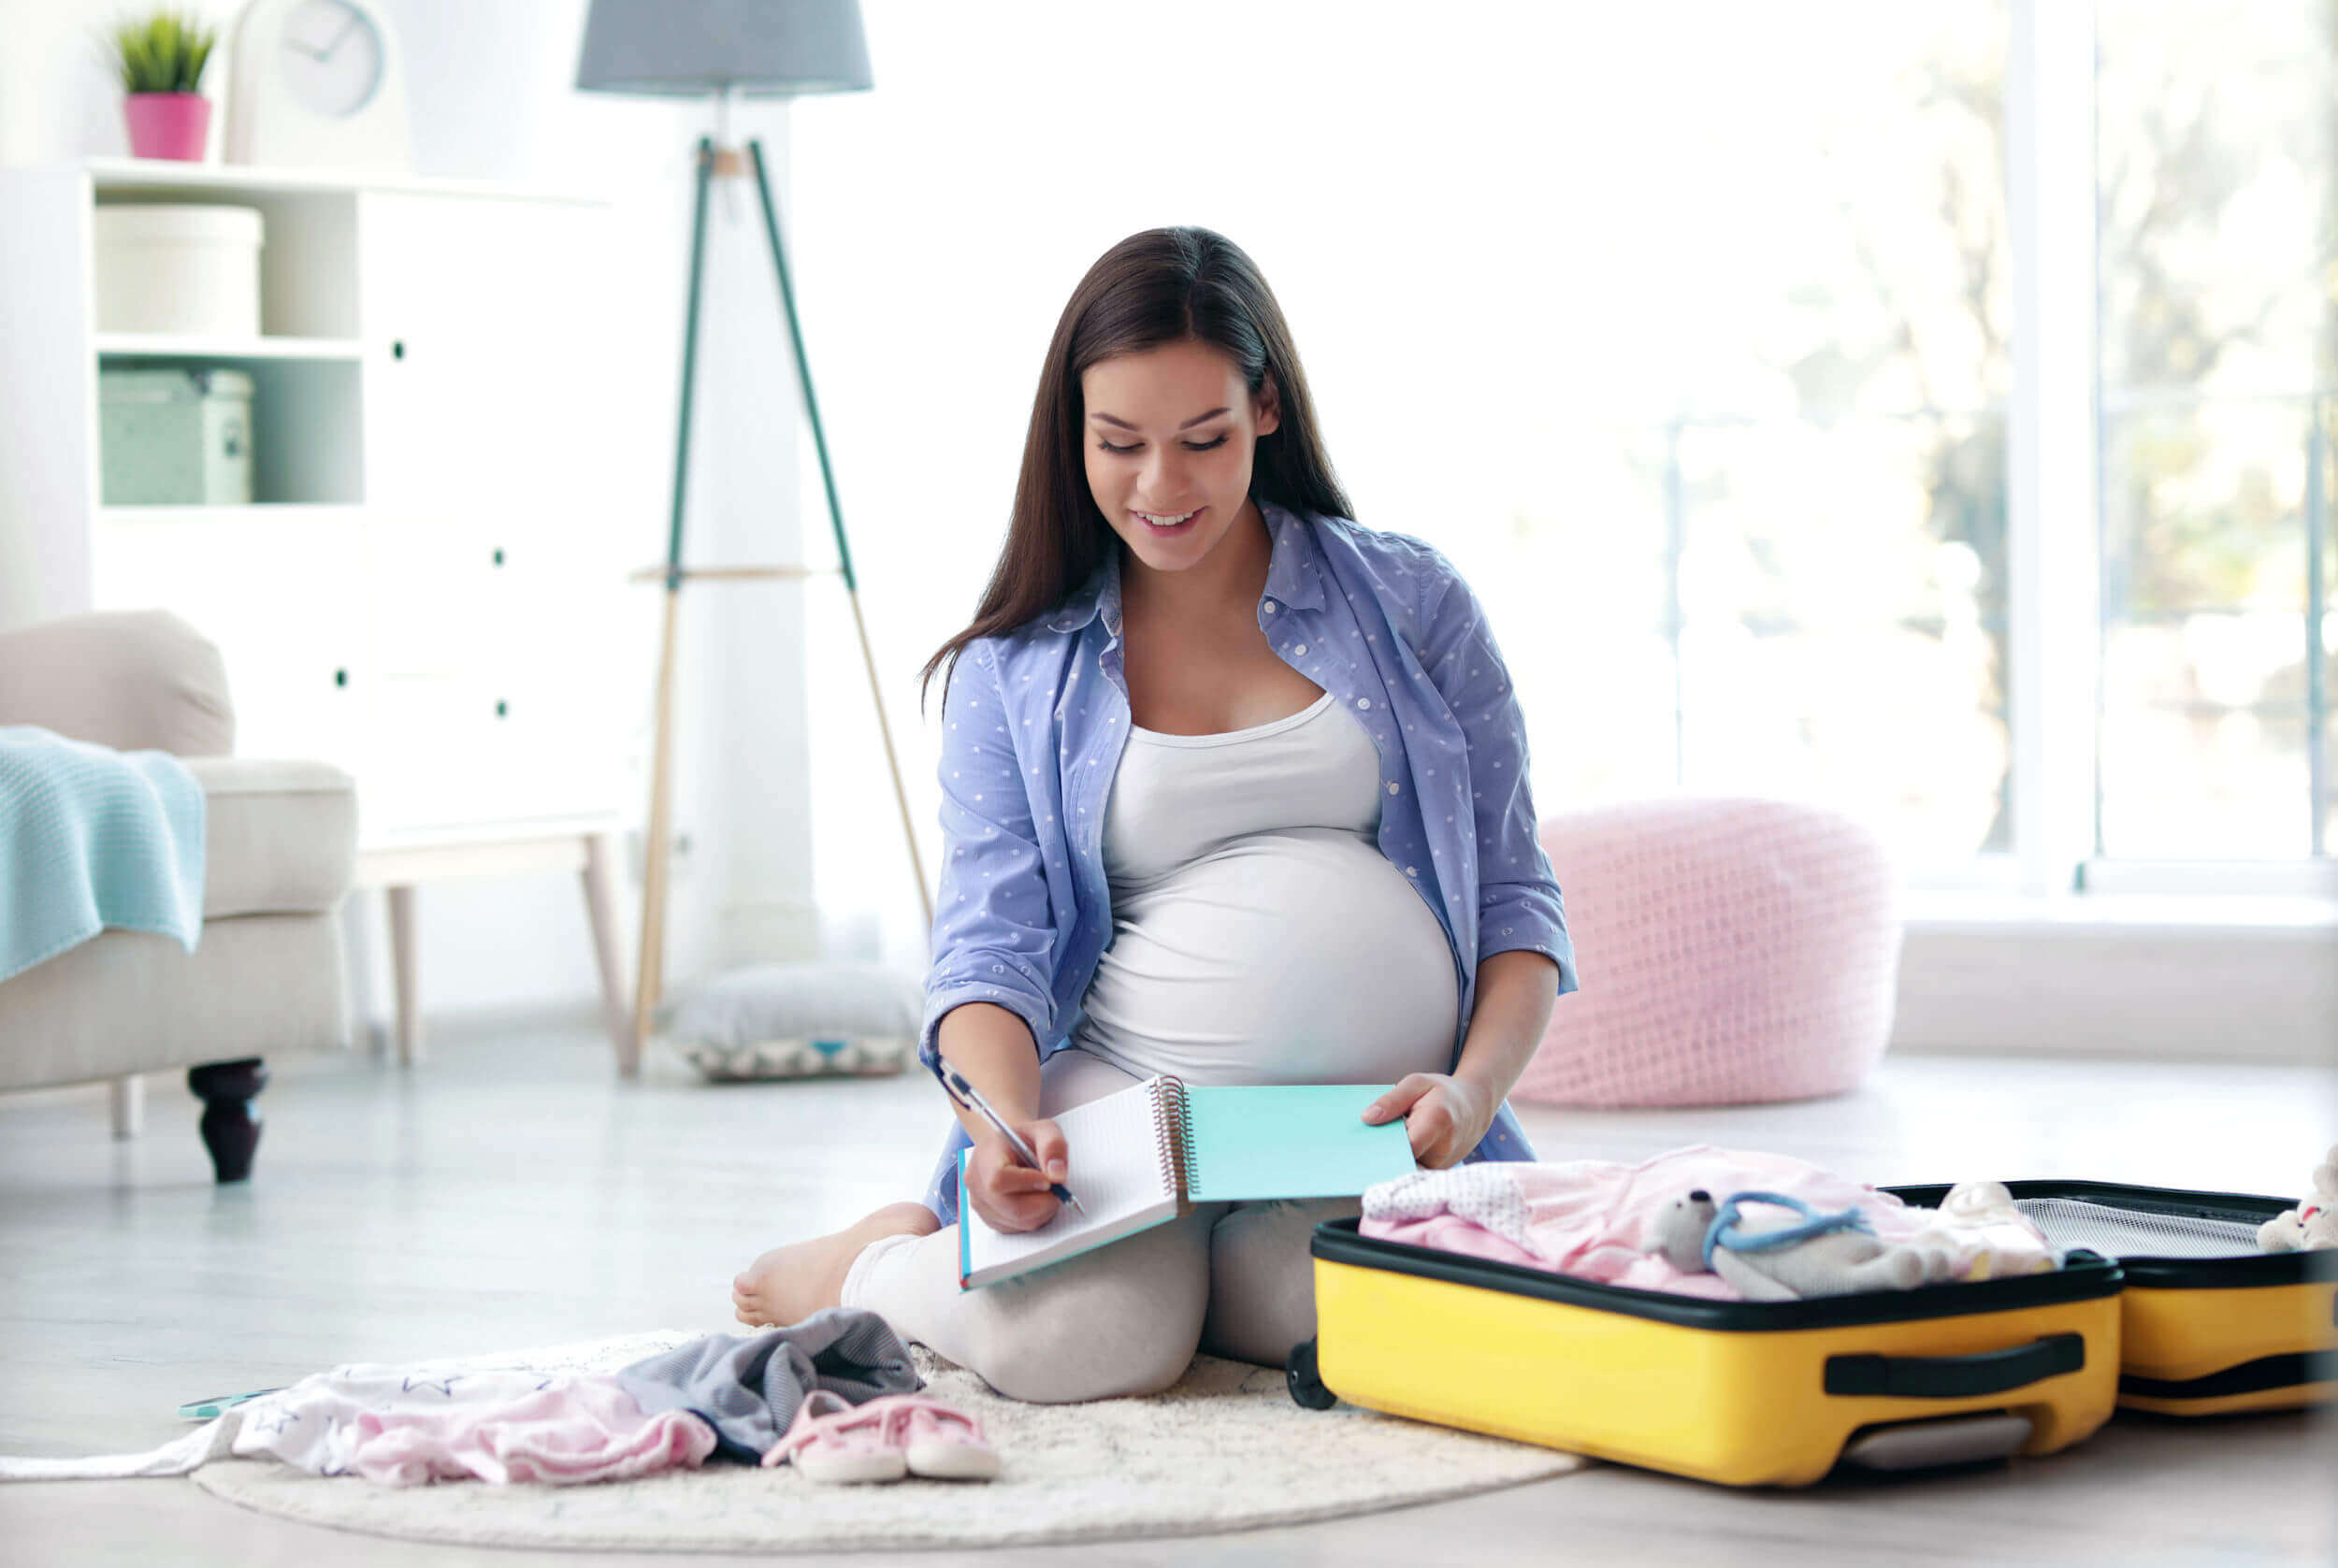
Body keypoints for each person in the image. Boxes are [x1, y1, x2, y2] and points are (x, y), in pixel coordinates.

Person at [732, 226, 1576, 1403]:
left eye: (1204, 439)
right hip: (1123, 1105)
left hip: (1351, 1136)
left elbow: (1515, 901)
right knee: (1083, 1350)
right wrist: (1002, 1127)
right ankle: (871, 1265)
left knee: (1371, 1323)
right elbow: (989, 946)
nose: (1161, 487)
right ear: (1070, 434)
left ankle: (1183, 1268)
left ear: (1267, 409)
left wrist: (1471, 1092)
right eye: (1119, 444)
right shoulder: (1019, 671)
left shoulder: (1413, 603)